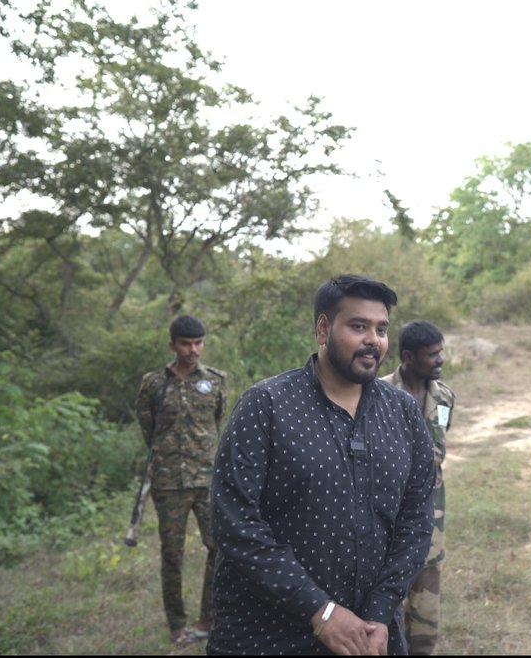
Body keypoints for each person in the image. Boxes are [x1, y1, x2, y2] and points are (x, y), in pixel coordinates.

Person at [207, 275, 435, 656]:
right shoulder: (267, 405)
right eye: (358, 326)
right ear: (324, 328)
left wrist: (379, 613)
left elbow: (416, 518)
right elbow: (233, 522)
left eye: (381, 329)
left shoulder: (403, 412)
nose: (373, 341)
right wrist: (321, 611)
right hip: (268, 636)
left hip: (371, 636)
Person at [134, 315, 227, 646]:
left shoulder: (216, 381)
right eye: (186, 344)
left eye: (199, 343)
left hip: (207, 480)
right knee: (172, 555)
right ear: (172, 345)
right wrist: (169, 459)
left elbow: (217, 423)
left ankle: (208, 618)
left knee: (219, 547)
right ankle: (177, 625)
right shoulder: (154, 384)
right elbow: (149, 429)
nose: (193, 350)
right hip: (169, 482)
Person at [382, 320, 456, 656]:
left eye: (441, 352)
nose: (440, 360)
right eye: (433, 355)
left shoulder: (445, 397)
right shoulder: (377, 394)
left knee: (426, 617)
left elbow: (438, 454)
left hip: (430, 520)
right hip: (387, 522)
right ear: (409, 357)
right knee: (385, 609)